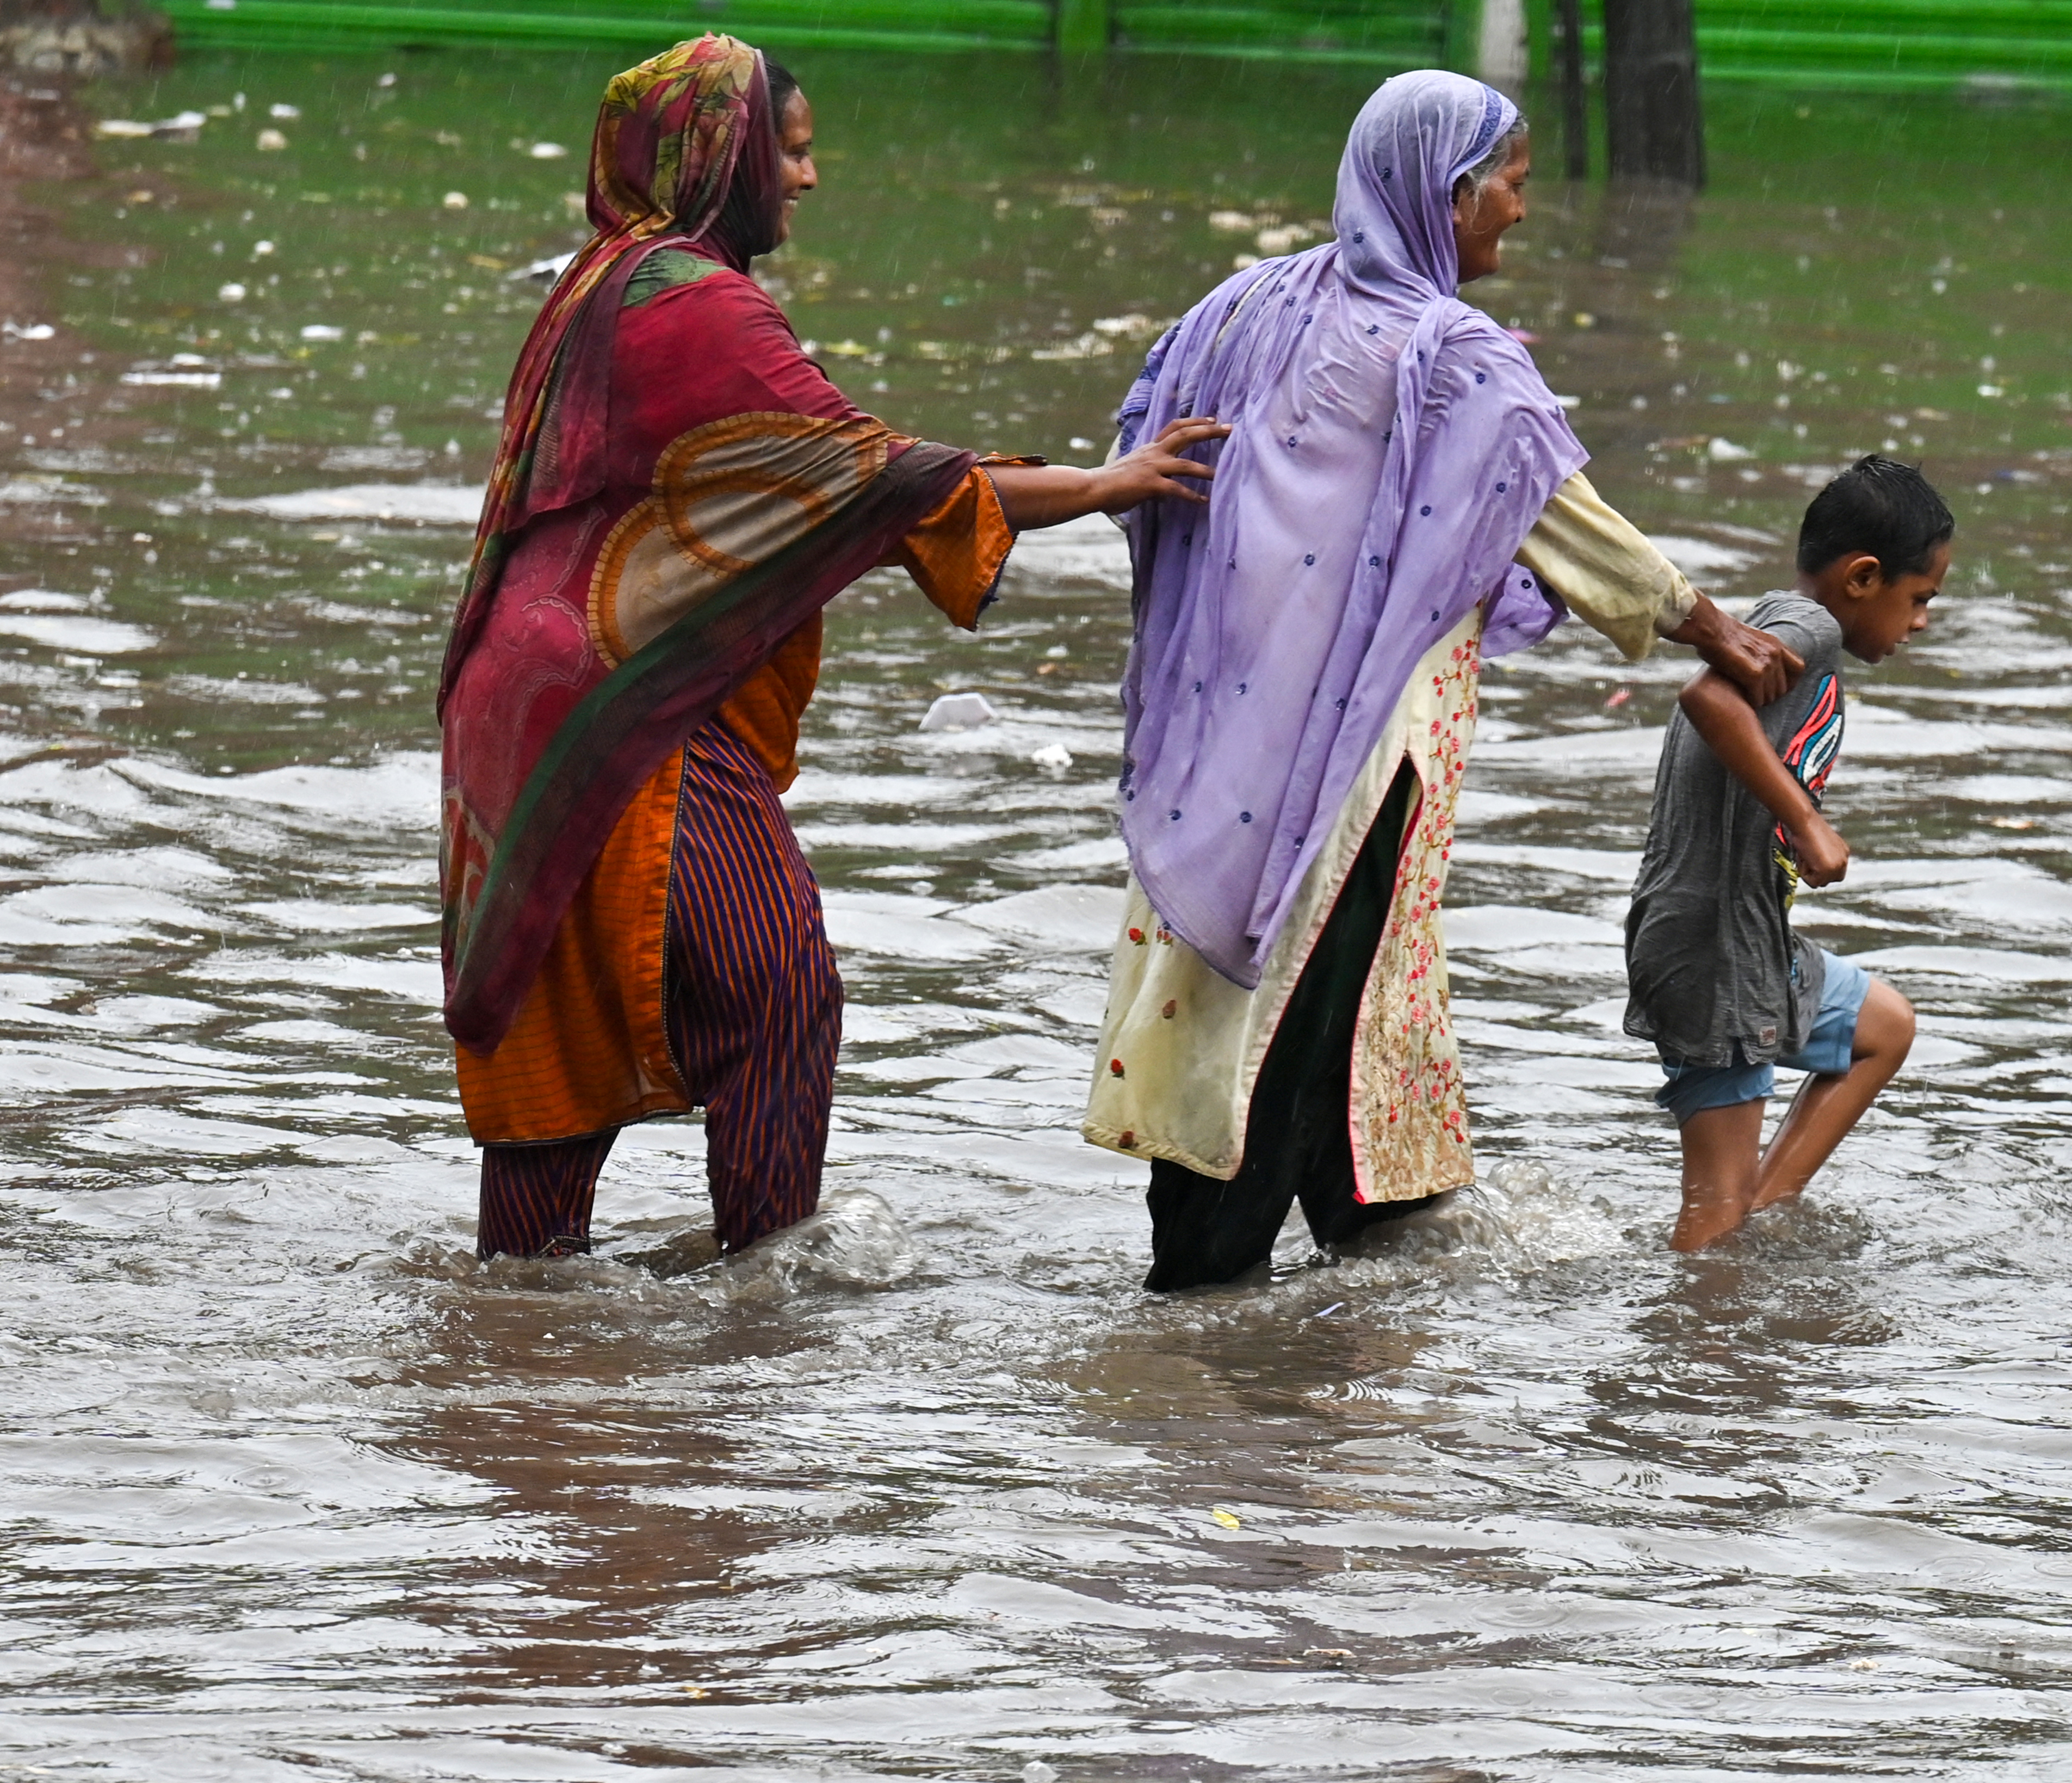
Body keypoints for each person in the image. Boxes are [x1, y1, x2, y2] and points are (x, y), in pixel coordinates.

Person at [436, 35, 1224, 1260]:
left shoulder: (600, 284)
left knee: (560, 1037)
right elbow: (873, 476)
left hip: (520, 702)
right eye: (788, 151)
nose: (805, 179)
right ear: (722, 160)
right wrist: (1109, 482)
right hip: (626, 702)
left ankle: (519, 1350)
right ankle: (768, 1300)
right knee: (779, 992)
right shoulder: (693, 304)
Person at [1081, 69, 1799, 1291]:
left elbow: (1139, 454)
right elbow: (1565, 517)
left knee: (1295, 985)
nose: (1522, 211)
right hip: (1359, 755)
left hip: (1231, 744)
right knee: (1307, 997)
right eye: (1512, 185)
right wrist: (1719, 633)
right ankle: (1208, 1295)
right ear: (1447, 194)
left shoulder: (1245, 305)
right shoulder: (1451, 351)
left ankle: (1368, 1239)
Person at [1623, 454, 1951, 1250]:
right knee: (1709, 1218)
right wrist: (1804, 823)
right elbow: (1707, 698)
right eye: (1920, 599)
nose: (1921, 623)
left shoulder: (1788, 629)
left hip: (1747, 938)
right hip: (1713, 946)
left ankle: (1759, 1226)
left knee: (1884, 1027)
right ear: (1864, 577)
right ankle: (1704, 1340)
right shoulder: (1812, 629)